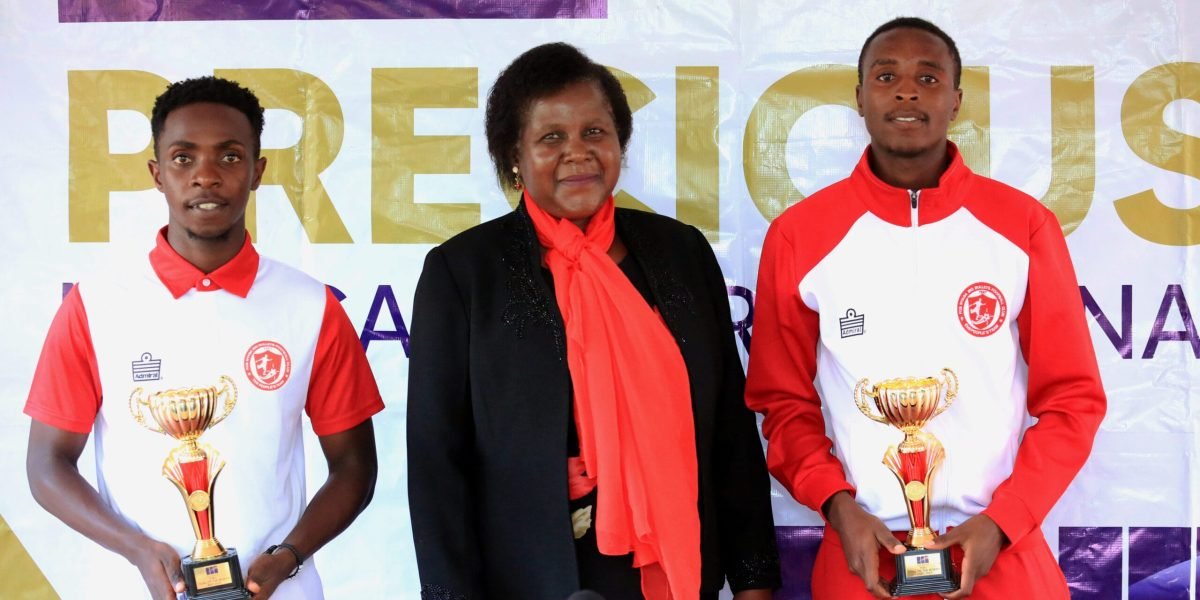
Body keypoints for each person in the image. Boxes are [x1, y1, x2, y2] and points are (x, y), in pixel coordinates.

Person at [745, 17, 1106, 600]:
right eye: (886, 76)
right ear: (859, 98)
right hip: (863, 556)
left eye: (928, 77)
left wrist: (1005, 519)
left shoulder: (1022, 227)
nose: (907, 90)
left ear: (956, 101)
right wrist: (838, 508)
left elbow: (1073, 402)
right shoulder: (800, 236)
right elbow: (783, 403)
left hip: (999, 553)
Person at [407, 42, 780, 600]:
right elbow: (437, 463)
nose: (577, 153)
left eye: (594, 133)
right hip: (530, 575)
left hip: (673, 573)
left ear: (620, 142)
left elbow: (728, 429)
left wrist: (752, 581)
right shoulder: (463, 273)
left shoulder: (679, 253)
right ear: (513, 154)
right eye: (551, 138)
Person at [24, 76, 383, 600]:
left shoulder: (311, 307)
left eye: (230, 157)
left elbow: (355, 468)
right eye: (184, 158)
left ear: (258, 172)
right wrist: (138, 550)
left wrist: (288, 557)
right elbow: (46, 465)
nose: (206, 177)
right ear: (157, 174)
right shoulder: (95, 305)